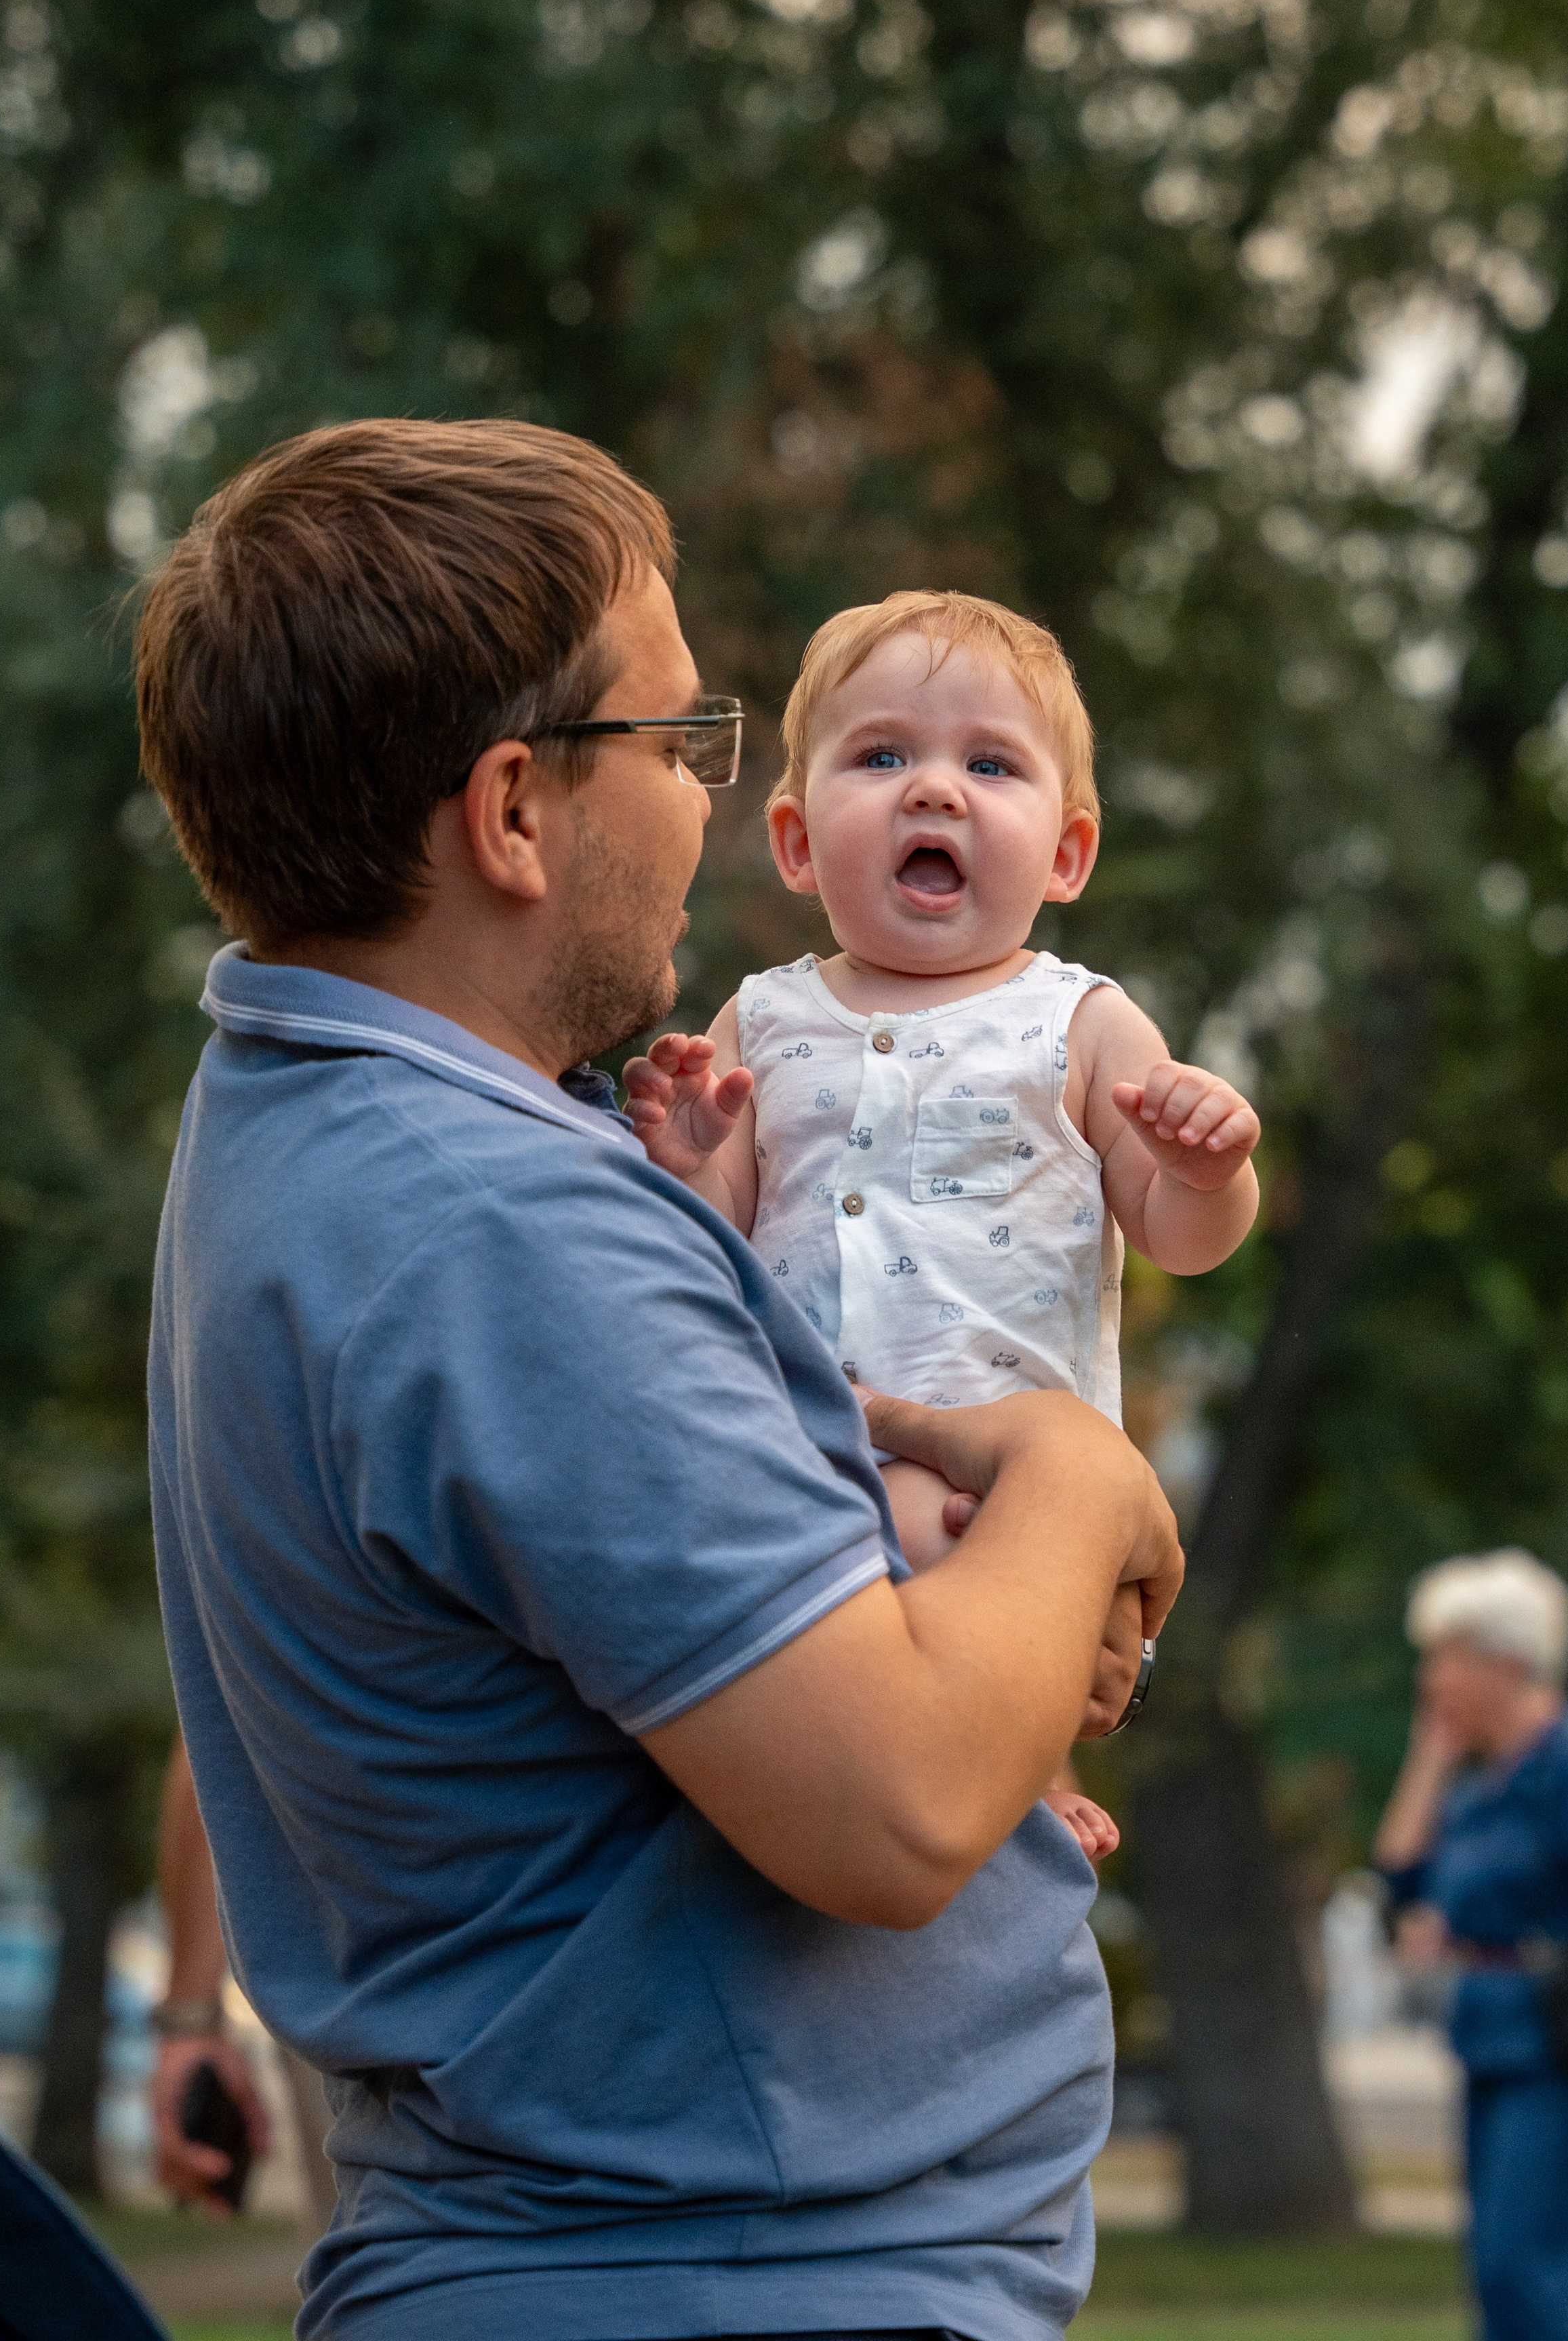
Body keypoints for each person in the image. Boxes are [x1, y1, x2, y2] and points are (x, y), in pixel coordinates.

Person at [136, 416, 1184, 2341]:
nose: (722, 806)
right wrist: (1074, 1481)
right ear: (513, 812)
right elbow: (893, 1805)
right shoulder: (502, 1229)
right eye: (691, 746)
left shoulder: (301, 1105)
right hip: (728, 2284)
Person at [622, 590, 1258, 1850]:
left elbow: (1185, 1236)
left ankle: (1015, 1786)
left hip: (1010, 1484)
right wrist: (692, 1156)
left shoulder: (1080, 1025)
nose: (936, 791)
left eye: (989, 764)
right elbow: (716, 1248)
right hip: (803, 1453)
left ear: (1067, 856)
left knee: (951, 1570)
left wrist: (1207, 1165)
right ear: (798, 843)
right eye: (883, 755)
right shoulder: (761, 1018)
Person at [1373, 1550, 1568, 2341]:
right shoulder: (1481, 1786)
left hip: (1556, 2048)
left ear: (1507, 1664)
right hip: (1486, 2041)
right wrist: (1430, 1760)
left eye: (1447, 1659)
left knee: (1525, 2268)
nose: (1432, 1680)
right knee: (1491, 2274)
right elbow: (1399, 1877)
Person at [150, 1736, 336, 2226]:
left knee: (386, 2257)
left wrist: (189, 2024)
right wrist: (190, 2021)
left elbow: (214, 1736)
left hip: (347, 1982)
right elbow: (215, 1735)